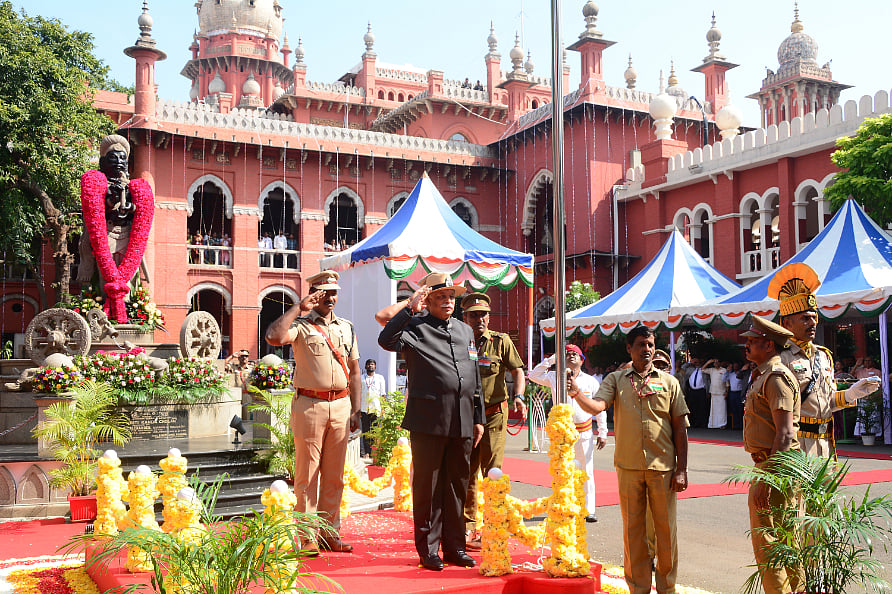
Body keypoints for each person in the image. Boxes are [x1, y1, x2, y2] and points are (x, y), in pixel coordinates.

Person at [569, 326, 689, 594]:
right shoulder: (616, 379)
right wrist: (577, 394)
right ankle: (638, 588)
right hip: (629, 467)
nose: (646, 349)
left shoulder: (670, 383)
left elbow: (680, 427)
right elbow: (598, 406)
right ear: (629, 349)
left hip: (663, 469)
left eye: (650, 344)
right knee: (633, 532)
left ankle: (667, 587)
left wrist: (682, 469)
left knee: (665, 532)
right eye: (640, 344)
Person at [378, 272, 484, 571]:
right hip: (429, 420)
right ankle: (429, 549)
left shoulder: (465, 331)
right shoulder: (415, 326)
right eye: (440, 296)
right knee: (429, 486)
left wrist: (478, 418)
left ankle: (455, 547)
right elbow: (386, 339)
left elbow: (473, 377)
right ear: (428, 300)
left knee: (457, 485)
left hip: (463, 418)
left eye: (451, 296)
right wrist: (410, 307)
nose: (448, 301)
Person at [264, 270, 361, 555]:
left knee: (335, 476)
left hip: (341, 406)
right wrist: (298, 307)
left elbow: (354, 371)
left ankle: (330, 533)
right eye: (324, 292)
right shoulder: (302, 327)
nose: (330, 297)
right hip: (310, 405)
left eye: (334, 292)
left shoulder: (346, 327)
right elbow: (274, 336)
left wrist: (357, 409)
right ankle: (307, 537)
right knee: (307, 475)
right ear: (314, 294)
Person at [770, 263, 879, 457]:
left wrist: (851, 394)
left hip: (825, 442)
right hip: (795, 445)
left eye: (814, 317)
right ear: (787, 323)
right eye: (805, 318)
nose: (812, 323)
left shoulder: (823, 355)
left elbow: (827, 401)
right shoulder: (779, 358)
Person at [459, 292, 527, 548]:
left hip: (494, 416)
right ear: (464, 318)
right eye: (474, 315)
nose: (480, 319)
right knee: (467, 473)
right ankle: (468, 527)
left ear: (489, 317)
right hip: (465, 417)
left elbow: (517, 370)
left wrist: (518, 396)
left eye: (483, 314)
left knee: (493, 472)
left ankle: (493, 524)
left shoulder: (501, 341)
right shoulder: (458, 342)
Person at [740, 315, 802, 594]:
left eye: (752, 341)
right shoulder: (766, 375)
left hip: (774, 465)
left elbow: (785, 433)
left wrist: (768, 478)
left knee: (769, 541)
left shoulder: (775, 377)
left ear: (769, 345)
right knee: (785, 538)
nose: (747, 345)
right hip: (772, 463)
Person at [529, 344, 606, 523]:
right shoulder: (554, 376)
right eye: (568, 354)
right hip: (562, 433)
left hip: (584, 431)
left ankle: (589, 510)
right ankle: (564, 506)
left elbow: (600, 408)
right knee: (562, 471)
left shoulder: (590, 381)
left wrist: (602, 431)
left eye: (575, 354)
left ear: (582, 360)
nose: (571, 357)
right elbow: (533, 375)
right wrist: (553, 359)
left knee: (586, 471)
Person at [359, 358, 386, 459]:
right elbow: (358, 394)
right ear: (365, 366)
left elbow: (383, 394)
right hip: (364, 408)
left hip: (376, 409)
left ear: (375, 366)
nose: (371, 366)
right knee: (366, 431)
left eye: (372, 364)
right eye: (369, 364)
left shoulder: (380, 378)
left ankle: (374, 452)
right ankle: (367, 452)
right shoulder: (361, 378)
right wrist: (358, 410)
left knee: (375, 431)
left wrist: (383, 409)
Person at [702, 359, 728, 429]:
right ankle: (713, 424)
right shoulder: (711, 370)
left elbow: (727, 382)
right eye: (715, 363)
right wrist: (708, 362)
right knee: (714, 410)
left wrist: (727, 392)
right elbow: (702, 369)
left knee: (722, 409)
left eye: (717, 362)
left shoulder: (724, 370)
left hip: (722, 392)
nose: (716, 364)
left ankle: (722, 424)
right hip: (713, 392)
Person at [685, 357, 709, 428]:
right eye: (696, 362)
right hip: (692, 391)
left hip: (701, 391)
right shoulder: (691, 370)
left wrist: (708, 391)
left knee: (702, 407)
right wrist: (690, 362)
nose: (697, 364)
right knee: (693, 407)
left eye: (698, 362)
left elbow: (708, 382)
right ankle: (695, 422)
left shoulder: (704, 370)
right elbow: (683, 367)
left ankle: (702, 423)